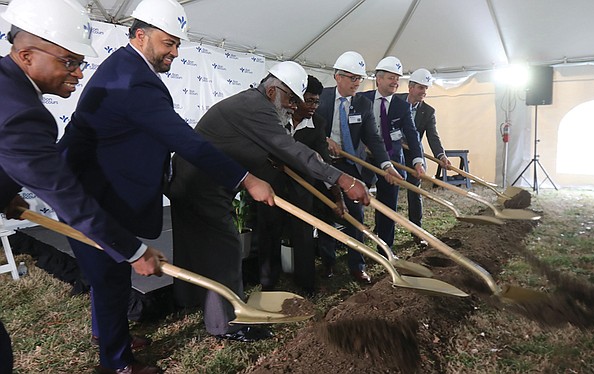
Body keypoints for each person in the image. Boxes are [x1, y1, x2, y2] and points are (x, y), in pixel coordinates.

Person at [58, 0, 273, 371]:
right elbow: (188, 142)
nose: (174, 52)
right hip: (95, 195)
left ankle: (108, 333)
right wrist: (247, 179)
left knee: (112, 271)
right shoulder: (133, 82)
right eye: (168, 43)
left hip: (99, 186)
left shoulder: (125, 67)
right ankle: (119, 363)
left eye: (177, 45)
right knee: (110, 278)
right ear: (140, 36)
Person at [0, 0, 174, 372]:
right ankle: (117, 365)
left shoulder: (10, 90)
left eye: (79, 62)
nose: (79, 74)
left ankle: (110, 341)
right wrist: (134, 251)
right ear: (27, 55)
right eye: (68, 62)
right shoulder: (22, 113)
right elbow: (66, 193)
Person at [168, 61, 370, 340]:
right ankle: (226, 324)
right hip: (200, 185)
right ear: (273, 90)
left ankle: (190, 301)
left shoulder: (253, 103)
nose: (291, 106)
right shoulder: (257, 107)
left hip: (191, 179)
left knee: (200, 247)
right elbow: (292, 149)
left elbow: (246, 144)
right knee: (224, 249)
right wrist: (343, 180)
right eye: (290, 99)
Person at [316, 51, 403, 284]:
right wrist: (323, 140)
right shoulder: (320, 98)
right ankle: (328, 261)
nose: (356, 83)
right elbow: (306, 126)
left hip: (348, 163)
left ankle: (357, 264)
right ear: (337, 77)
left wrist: (386, 166)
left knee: (356, 210)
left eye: (359, 79)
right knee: (326, 210)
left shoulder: (363, 104)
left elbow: (374, 138)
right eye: (352, 78)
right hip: (320, 161)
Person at [284, 75, 347, 295]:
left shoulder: (318, 123)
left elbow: (324, 161)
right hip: (273, 183)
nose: (313, 106)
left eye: (317, 102)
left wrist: (337, 196)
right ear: (297, 98)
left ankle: (306, 283)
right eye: (309, 100)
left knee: (303, 232)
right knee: (269, 229)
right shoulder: (279, 116)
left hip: (303, 185)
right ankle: (269, 281)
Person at [359, 56, 425, 253]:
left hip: (392, 162)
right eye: (391, 77)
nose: (395, 82)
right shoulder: (363, 100)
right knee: (357, 200)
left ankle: (385, 249)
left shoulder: (402, 106)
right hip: (364, 159)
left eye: (398, 78)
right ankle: (357, 242)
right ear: (378, 79)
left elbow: (413, 135)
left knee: (388, 206)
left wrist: (418, 160)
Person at [397, 68, 451, 234]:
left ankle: (417, 230)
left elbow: (433, 137)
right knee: (388, 189)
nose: (424, 92)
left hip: (414, 153)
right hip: (394, 150)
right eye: (421, 87)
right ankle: (383, 227)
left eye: (426, 88)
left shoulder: (428, 112)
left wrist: (441, 155)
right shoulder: (395, 101)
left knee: (415, 190)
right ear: (411, 87)